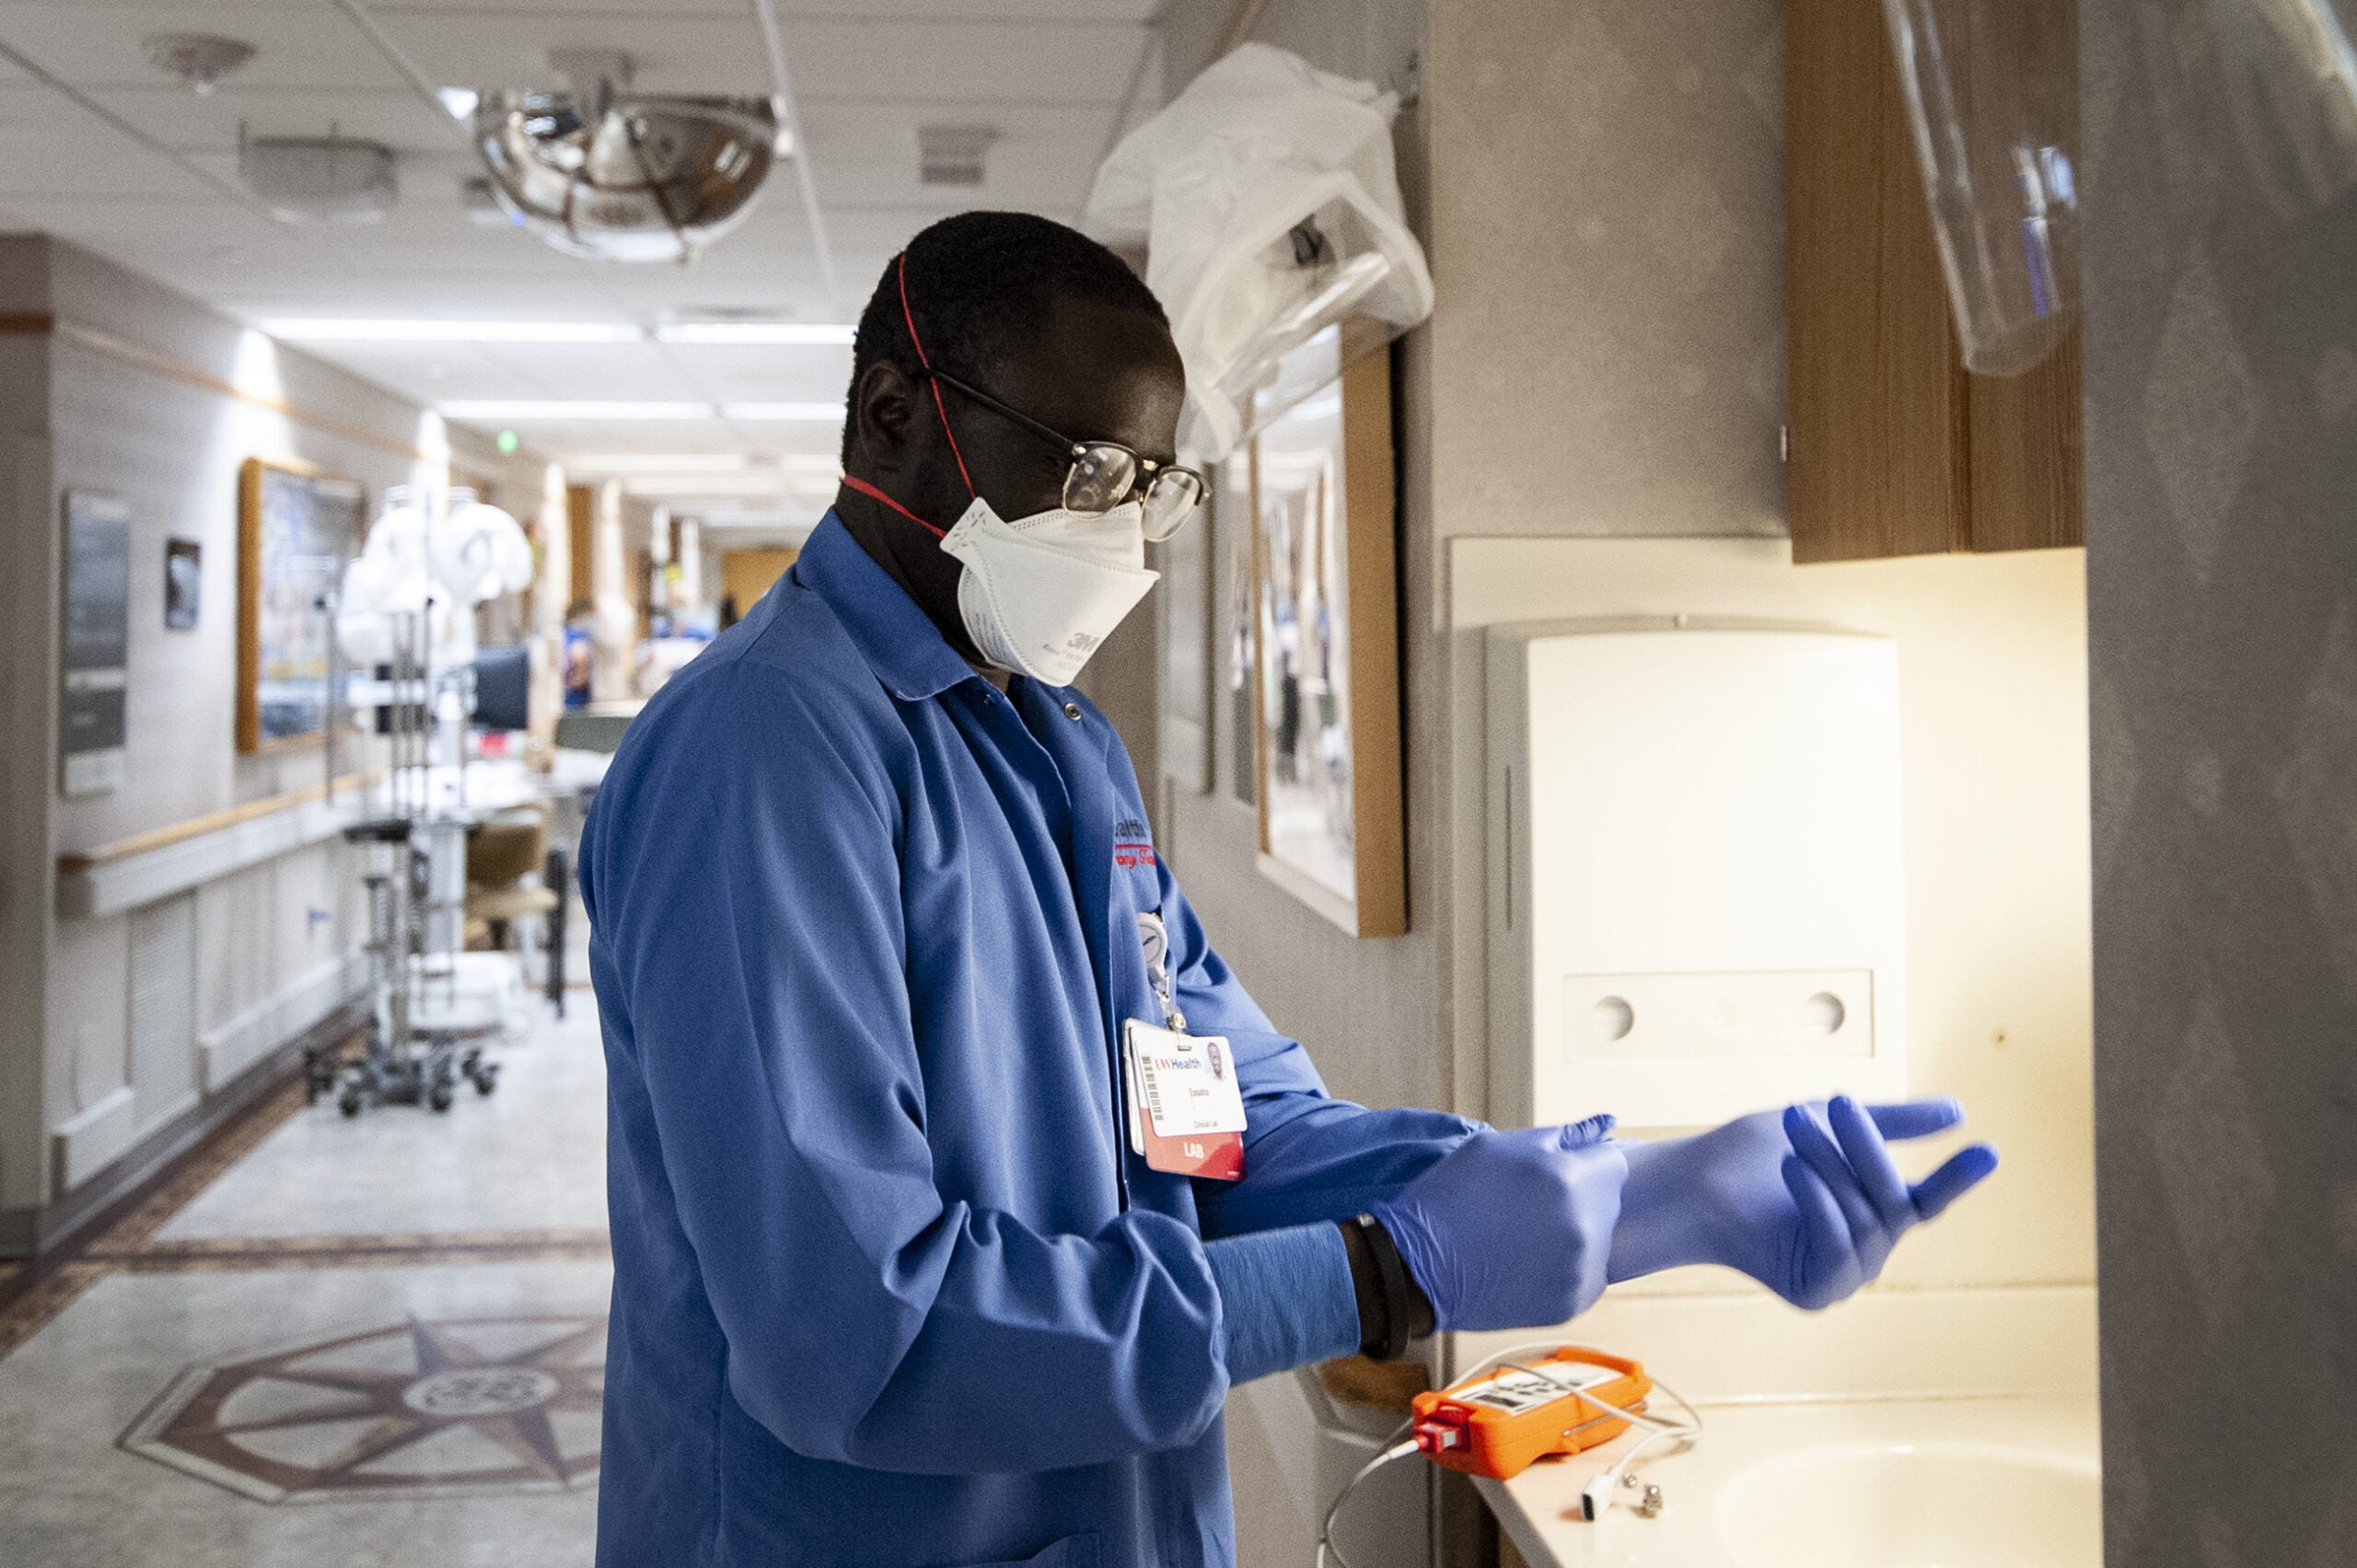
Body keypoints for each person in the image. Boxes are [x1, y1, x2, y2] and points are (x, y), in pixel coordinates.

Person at [579, 212, 1998, 1568]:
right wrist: (1385, 1273)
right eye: (1086, 475)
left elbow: (1213, 1128)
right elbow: (862, 1338)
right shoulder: (766, 753)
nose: (1123, 540)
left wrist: (1635, 1198)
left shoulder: (1059, 748)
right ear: (896, 414)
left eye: (1152, 489)